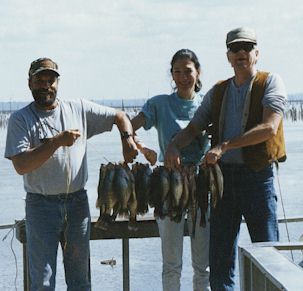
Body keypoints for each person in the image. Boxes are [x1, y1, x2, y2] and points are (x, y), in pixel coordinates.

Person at [164, 27, 287, 291]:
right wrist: (173, 146)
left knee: (269, 259)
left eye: (246, 47)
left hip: (258, 179)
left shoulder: (271, 82)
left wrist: (224, 145)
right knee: (219, 263)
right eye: (235, 48)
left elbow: (269, 128)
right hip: (223, 183)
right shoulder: (218, 91)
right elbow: (194, 127)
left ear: (257, 53)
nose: (241, 52)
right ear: (228, 56)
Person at [4, 57, 138, 291]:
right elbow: (21, 165)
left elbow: (120, 116)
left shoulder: (78, 108)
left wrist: (127, 141)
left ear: (57, 83)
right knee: (43, 283)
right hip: (40, 207)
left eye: (51, 80)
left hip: (77, 205)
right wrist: (56, 142)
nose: (46, 85)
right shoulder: (20, 119)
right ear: (30, 83)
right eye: (40, 80)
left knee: (80, 282)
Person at [131, 49, 210, 291]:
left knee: (203, 265)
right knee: (171, 263)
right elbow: (128, 128)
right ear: (171, 76)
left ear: (197, 73)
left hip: (201, 182)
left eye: (188, 71)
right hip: (169, 183)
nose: (183, 77)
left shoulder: (207, 103)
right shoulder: (159, 104)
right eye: (177, 72)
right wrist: (143, 149)